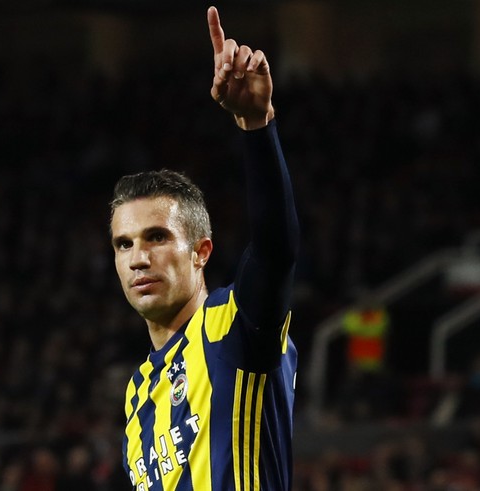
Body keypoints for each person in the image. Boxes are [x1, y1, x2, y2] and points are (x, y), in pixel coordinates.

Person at [109, 6, 299, 490]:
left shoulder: (234, 326)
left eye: (157, 237)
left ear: (201, 251)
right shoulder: (136, 396)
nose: (138, 257)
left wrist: (257, 127)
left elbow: (275, 250)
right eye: (124, 243)